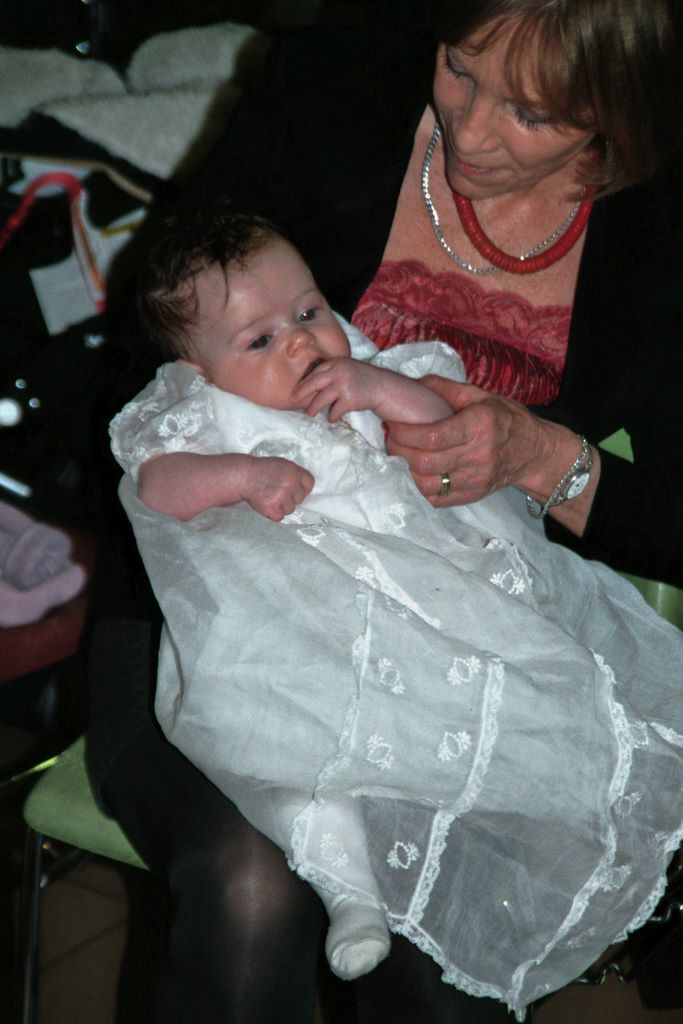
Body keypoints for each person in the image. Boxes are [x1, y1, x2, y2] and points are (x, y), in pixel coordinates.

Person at [86, 2, 683, 1021]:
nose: (470, 129)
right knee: (250, 894)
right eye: (458, 68)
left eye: (532, 114)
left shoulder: (664, 232)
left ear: (620, 115)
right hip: (228, 627)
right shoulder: (335, 84)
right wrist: (234, 467)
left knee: (443, 970)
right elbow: (151, 351)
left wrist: (543, 458)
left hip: (471, 652)